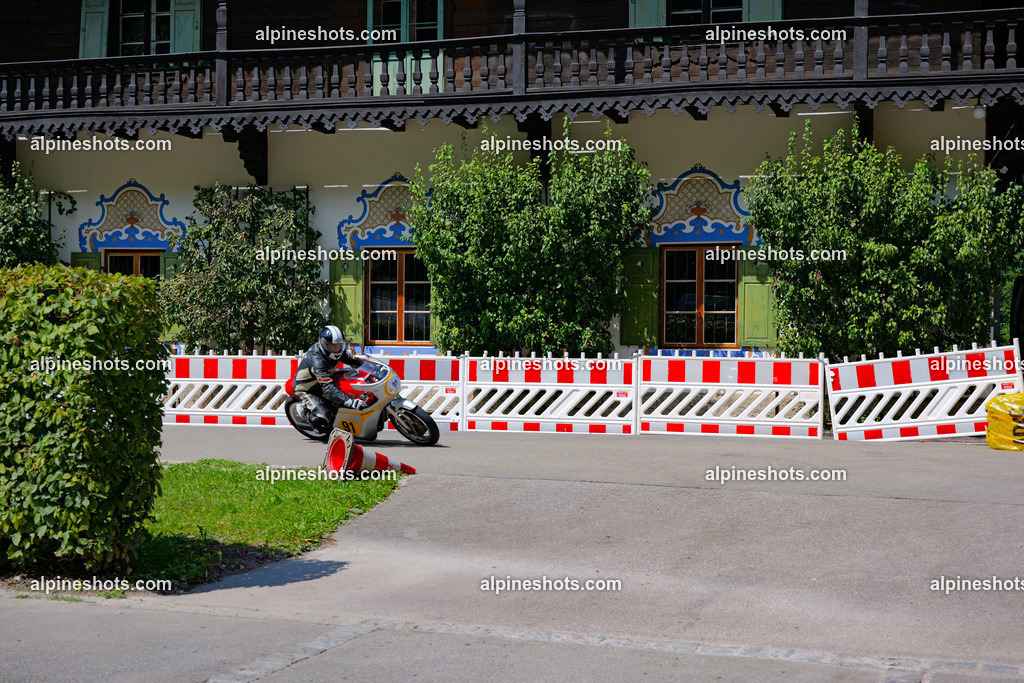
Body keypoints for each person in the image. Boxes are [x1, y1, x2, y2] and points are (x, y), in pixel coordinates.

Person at [293, 325, 368, 432]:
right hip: (307, 389)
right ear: (324, 345)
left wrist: (372, 368)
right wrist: (350, 402)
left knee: (351, 375)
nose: (336, 349)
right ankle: (312, 421)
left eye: (338, 345)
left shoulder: (338, 352)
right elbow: (328, 389)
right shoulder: (317, 361)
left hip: (324, 380)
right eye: (332, 346)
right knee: (323, 417)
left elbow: (355, 361)